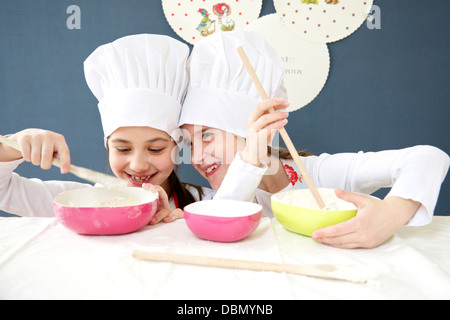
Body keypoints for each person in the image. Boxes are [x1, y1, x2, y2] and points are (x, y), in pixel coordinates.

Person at [178, 30, 450, 249]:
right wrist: (248, 159)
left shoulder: (318, 175)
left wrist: (390, 215)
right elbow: (222, 221)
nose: (196, 157)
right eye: (190, 143)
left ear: (256, 128)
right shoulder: (212, 199)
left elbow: (427, 158)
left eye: (207, 136)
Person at [0, 34, 209, 223]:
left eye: (155, 149)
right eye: (123, 149)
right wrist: (14, 146)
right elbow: (4, 192)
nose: (138, 165)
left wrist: (184, 227)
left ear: (177, 146)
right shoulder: (78, 204)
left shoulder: (208, 203)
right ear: (108, 145)